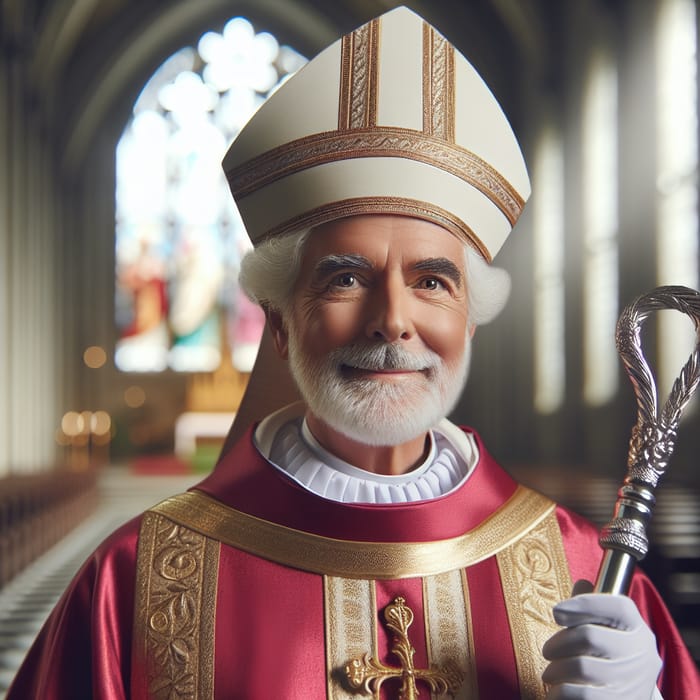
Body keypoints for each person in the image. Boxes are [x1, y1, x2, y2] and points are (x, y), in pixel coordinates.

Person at [8, 6, 700, 699]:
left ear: (471, 322)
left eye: (431, 281)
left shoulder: (578, 564)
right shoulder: (137, 577)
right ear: (279, 323)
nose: (393, 321)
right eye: (347, 278)